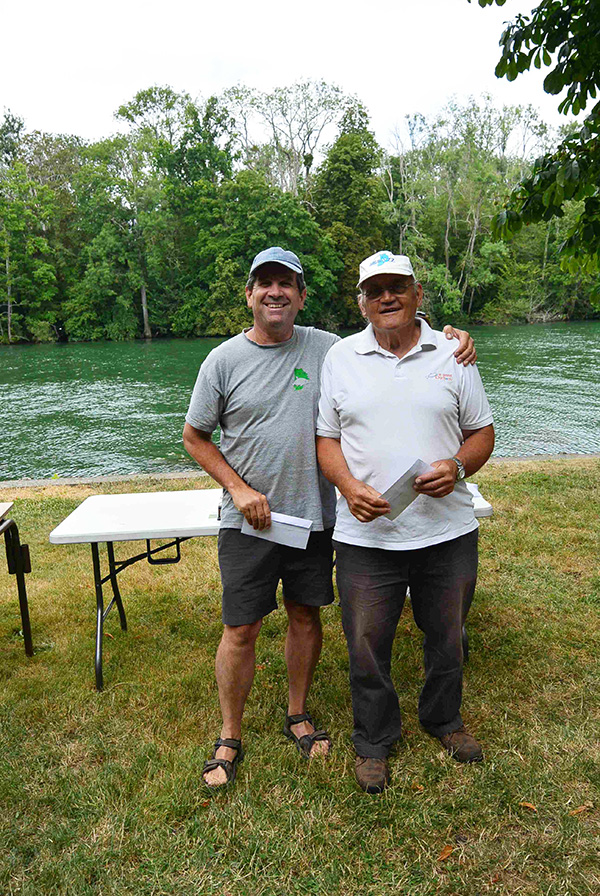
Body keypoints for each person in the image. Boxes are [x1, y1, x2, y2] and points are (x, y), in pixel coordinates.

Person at [183, 247, 477, 788]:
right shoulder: (221, 361)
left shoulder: (329, 349)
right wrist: (238, 488)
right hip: (248, 519)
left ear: (300, 296)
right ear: (248, 295)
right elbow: (194, 437)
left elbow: (398, 333)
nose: (275, 293)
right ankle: (229, 734)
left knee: (304, 616)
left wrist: (450, 336)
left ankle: (298, 715)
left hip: (314, 520)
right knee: (241, 627)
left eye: (286, 285)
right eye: (264, 284)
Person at [316, 250, 495, 794]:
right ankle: (373, 740)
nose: (386, 298)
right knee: (367, 642)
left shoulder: (454, 353)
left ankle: (443, 719)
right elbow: (326, 440)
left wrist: (458, 465)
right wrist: (347, 487)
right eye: (375, 290)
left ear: (418, 294)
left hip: (447, 531)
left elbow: (482, 432)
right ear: (362, 302)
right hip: (366, 536)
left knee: (446, 635)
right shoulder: (340, 358)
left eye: (397, 287)